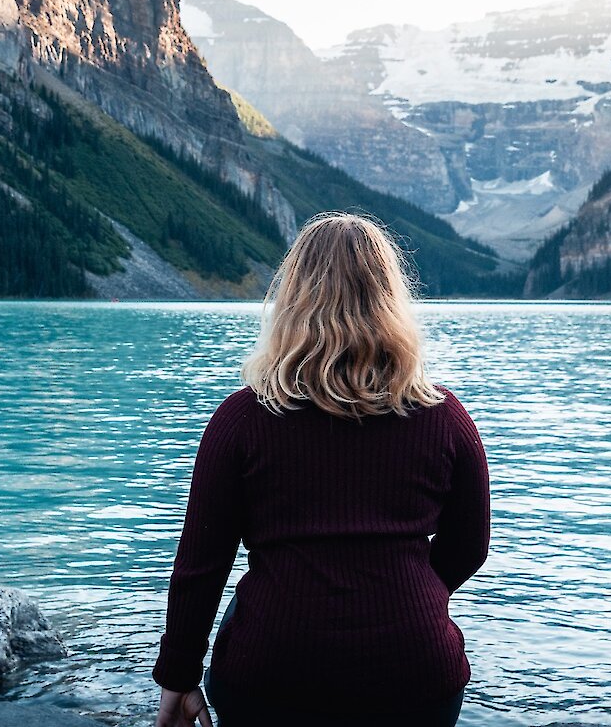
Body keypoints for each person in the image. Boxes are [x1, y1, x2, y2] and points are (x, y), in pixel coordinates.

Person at [151, 212, 492, 727]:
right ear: (390, 301)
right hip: (416, 675)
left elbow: (201, 568)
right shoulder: (445, 418)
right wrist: (407, 596)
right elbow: (470, 546)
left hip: (271, 674)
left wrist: (177, 679)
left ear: (291, 300)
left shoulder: (241, 419)